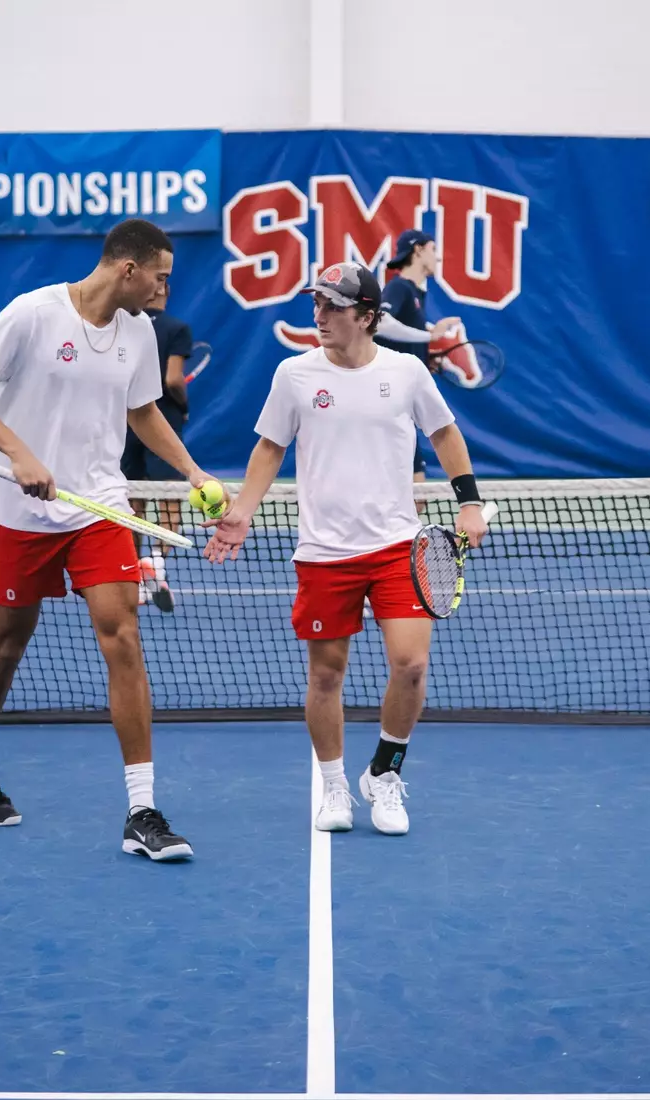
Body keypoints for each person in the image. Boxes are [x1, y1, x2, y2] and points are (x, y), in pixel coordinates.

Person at [0, 218, 226, 862]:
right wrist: (18, 453)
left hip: (97, 503)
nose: (165, 291)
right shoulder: (33, 314)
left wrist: (192, 472)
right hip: (18, 508)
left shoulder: (140, 334)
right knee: (8, 642)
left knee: (120, 633)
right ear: (128, 269)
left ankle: (142, 810)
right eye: (161, 276)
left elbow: (142, 410)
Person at [203, 263, 487, 837]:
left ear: (367, 316)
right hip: (324, 552)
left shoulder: (406, 373)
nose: (320, 314)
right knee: (326, 677)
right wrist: (243, 513)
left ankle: (384, 772)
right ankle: (334, 784)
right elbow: (268, 449)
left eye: (333, 306)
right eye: (317, 303)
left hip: (396, 548)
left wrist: (470, 502)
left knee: (411, 665)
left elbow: (445, 433)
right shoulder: (294, 374)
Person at [120, 278, 194, 613]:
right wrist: (183, 404)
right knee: (170, 501)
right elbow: (173, 379)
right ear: (166, 291)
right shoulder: (177, 328)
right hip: (160, 421)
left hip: (124, 420)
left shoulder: (124, 325)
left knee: (132, 499)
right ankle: (157, 564)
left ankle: (136, 574)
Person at [374, 230, 461, 505]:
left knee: (416, 497)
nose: (438, 257)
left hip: (403, 405)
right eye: (433, 249)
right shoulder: (399, 287)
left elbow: (401, 338)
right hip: (387, 402)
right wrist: (430, 336)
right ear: (419, 250)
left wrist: (426, 357)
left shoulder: (416, 294)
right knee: (413, 495)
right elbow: (381, 323)